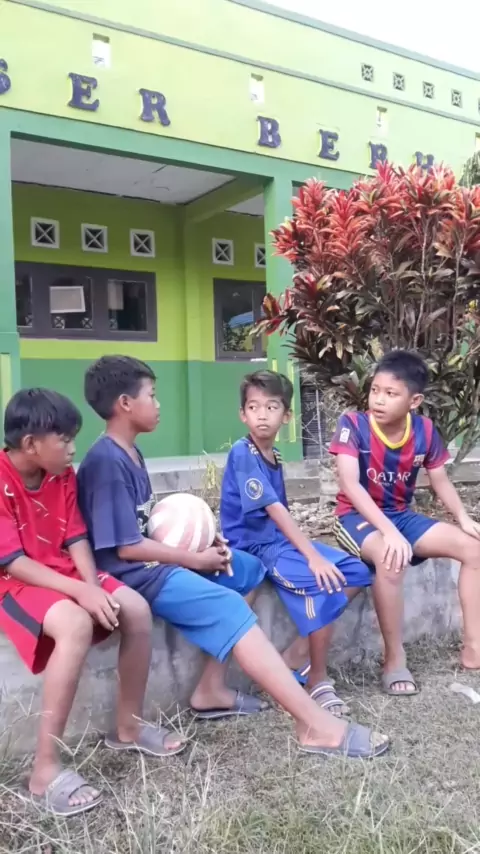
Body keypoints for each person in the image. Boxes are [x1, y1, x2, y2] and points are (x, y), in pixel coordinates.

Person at [77, 355, 389, 759]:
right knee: (228, 605)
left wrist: (206, 542)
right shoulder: (106, 461)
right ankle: (314, 725)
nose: (157, 403)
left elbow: (145, 525)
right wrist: (193, 560)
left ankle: (211, 688)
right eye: (151, 395)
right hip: (136, 575)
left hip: (154, 563)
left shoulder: (130, 453)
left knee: (245, 569)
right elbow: (125, 548)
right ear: (125, 403)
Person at [0, 389, 187, 818]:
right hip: (15, 580)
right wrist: (81, 595)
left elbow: (75, 537)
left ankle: (129, 726)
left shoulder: (62, 474)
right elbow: (12, 561)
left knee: (134, 608)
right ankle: (44, 768)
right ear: (30, 444)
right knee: (75, 625)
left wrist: (91, 586)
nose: (72, 448)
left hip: (64, 568)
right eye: (64, 439)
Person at [220, 369, 374, 719]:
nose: (262, 415)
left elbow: (282, 514)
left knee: (356, 570)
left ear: (287, 416)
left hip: (277, 544)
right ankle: (317, 678)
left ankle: (295, 656)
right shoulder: (243, 453)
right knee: (323, 581)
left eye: (271, 407)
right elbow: (274, 511)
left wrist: (311, 552)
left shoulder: (273, 455)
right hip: (255, 549)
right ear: (243, 414)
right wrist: (312, 557)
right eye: (254, 407)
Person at [329, 349, 480, 696]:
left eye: (390, 393)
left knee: (473, 549)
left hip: (400, 516)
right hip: (354, 518)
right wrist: (388, 531)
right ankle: (394, 660)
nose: (379, 400)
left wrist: (463, 518)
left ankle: (474, 648)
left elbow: (439, 479)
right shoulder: (353, 425)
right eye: (375, 390)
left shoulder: (424, 430)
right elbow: (350, 485)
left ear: (415, 401)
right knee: (391, 558)